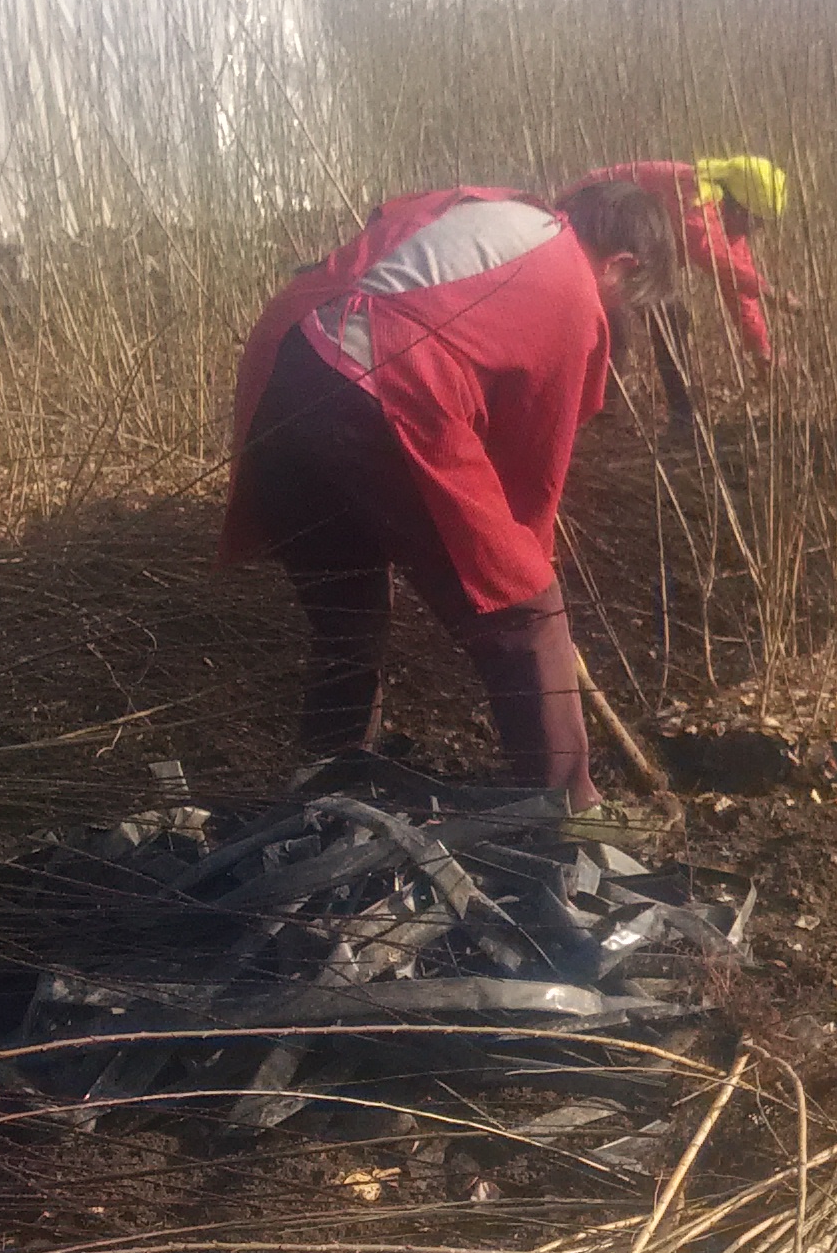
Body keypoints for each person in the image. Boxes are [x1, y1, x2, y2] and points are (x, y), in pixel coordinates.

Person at [220, 181, 676, 807]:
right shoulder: (571, 282)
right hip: (379, 385)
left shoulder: (502, 217)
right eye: (627, 292)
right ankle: (569, 812)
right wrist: (529, 575)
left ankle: (326, 783)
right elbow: (530, 477)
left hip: (287, 370)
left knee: (349, 613)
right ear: (622, 263)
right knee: (527, 609)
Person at [591, 153, 789, 420]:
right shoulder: (691, 194)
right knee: (623, 326)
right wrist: (769, 291)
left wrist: (760, 349)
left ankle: (673, 414)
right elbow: (708, 250)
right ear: (737, 206)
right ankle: (602, 414)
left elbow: (736, 285)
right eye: (755, 222)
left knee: (668, 318)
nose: (755, 231)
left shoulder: (728, 222)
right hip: (593, 227)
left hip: (632, 250)